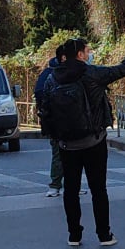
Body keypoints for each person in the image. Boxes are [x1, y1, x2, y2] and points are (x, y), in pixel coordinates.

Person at [47, 31, 125, 247]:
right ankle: (104, 234)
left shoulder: (53, 77)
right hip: (94, 140)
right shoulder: (92, 73)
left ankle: (74, 235)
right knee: (98, 189)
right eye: (88, 51)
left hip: (66, 144)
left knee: (70, 189)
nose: (90, 54)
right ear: (80, 54)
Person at [35, 46, 83, 198]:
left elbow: (40, 96)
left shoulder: (49, 74)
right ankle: (56, 185)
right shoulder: (58, 75)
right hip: (62, 122)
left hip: (57, 121)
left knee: (64, 154)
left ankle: (64, 185)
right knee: (62, 154)